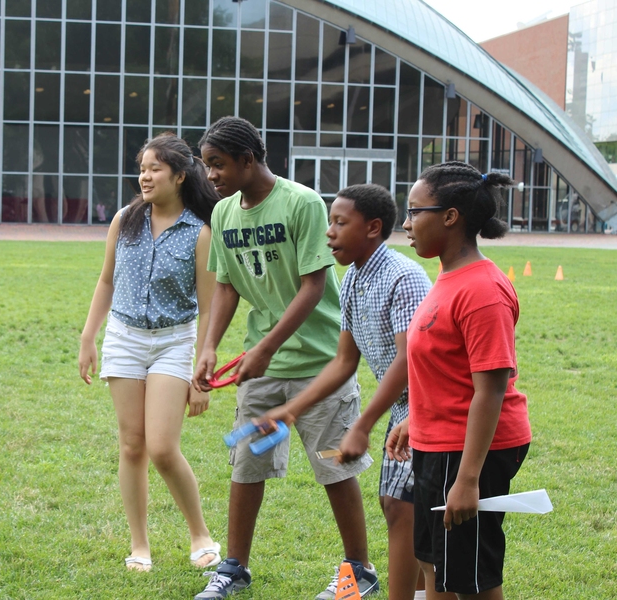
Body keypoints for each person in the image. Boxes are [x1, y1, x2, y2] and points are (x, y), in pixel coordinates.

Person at [192, 117, 377, 599]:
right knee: (246, 465)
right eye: (206, 165)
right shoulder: (224, 214)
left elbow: (314, 285)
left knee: (334, 467)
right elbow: (228, 286)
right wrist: (209, 346)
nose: (211, 175)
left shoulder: (301, 203)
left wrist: (266, 347)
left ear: (248, 160)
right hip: (262, 367)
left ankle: (359, 570)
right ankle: (233, 568)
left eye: (218, 164)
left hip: (320, 364)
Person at [253, 184, 431, 600]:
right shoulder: (351, 278)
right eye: (329, 222)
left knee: (405, 511)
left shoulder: (403, 277)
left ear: (372, 228)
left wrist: (362, 424)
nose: (329, 233)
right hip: (404, 409)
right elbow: (343, 361)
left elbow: (410, 363)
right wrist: (291, 410)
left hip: (427, 406)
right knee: (399, 509)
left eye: (339, 222)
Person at [388, 161, 532, 600]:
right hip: (440, 441)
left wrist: (468, 478)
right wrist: (418, 417)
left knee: (470, 580)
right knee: (436, 564)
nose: (407, 223)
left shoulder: (483, 290)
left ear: (450, 216)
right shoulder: (449, 275)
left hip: (468, 450)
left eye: (415, 212)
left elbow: (490, 389)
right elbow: (448, 367)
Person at [78, 133, 221, 572]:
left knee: (161, 447)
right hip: (124, 337)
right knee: (132, 445)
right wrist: (89, 337)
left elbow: (210, 306)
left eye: (154, 168)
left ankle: (200, 534)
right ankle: (139, 545)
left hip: (174, 341)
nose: (144, 176)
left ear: (179, 175)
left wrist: (202, 376)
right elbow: (106, 281)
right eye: (142, 168)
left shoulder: (200, 232)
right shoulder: (125, 220)